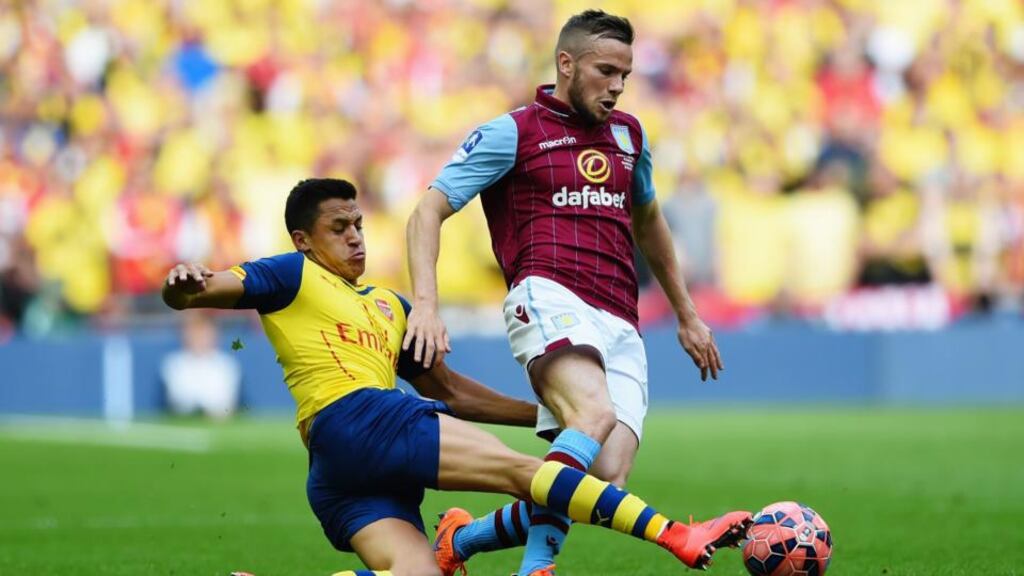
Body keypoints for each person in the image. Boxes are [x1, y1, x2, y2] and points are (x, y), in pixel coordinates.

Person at [162, 178, 750, 576]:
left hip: (341, 466)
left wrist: (544, 413)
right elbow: (203, 290)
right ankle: (676, 535)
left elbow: (449, 391)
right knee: (531, 476)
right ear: (303, 240)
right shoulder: (292, 275)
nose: (355, 236)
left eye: (360, 224)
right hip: (361, 419)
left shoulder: (391, 307)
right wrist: (182, 283)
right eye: (339, 227)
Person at [404, 10, 737, 576]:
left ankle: (461, 541)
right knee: (592, 414)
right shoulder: (514, 131)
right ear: (566, 63)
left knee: (604, 476)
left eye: (625, 75)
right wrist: (428, 306)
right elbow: (428, 209)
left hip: (620, 318)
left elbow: (649, 218)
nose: (617, 86)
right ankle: (537, 567)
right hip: (547, 292)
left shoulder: (630, 135)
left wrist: (687, 314)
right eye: (605, 71)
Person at [160, 310, 242, 420]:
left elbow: (227, 402)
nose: (199, 338)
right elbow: (178, 400)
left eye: (203, 332)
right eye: (195, 332)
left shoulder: (227, 364)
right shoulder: (173, 364)